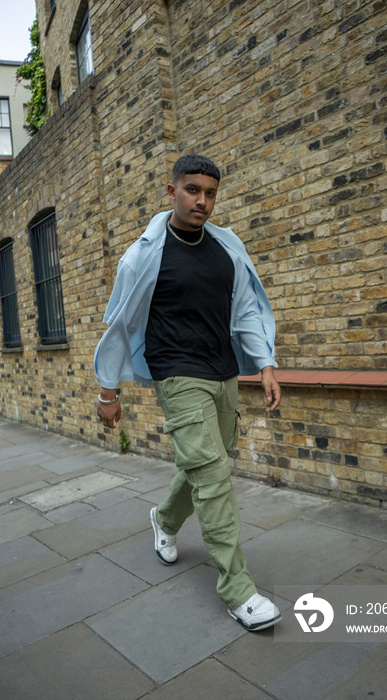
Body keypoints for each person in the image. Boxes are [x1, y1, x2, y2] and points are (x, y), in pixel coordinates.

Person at [95, 154, 282, 631]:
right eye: (192, 190)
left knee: (204, 463)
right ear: (172, 190)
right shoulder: (143, 254)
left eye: (210, 193)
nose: (202, 201)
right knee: (214, 477)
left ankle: (164, 519)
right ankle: (238, 590)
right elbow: (120, 326)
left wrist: (264, 365)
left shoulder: (226, 249)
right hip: (176, 374)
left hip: (222, 371)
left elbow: (245, 313)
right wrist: (107, 392)